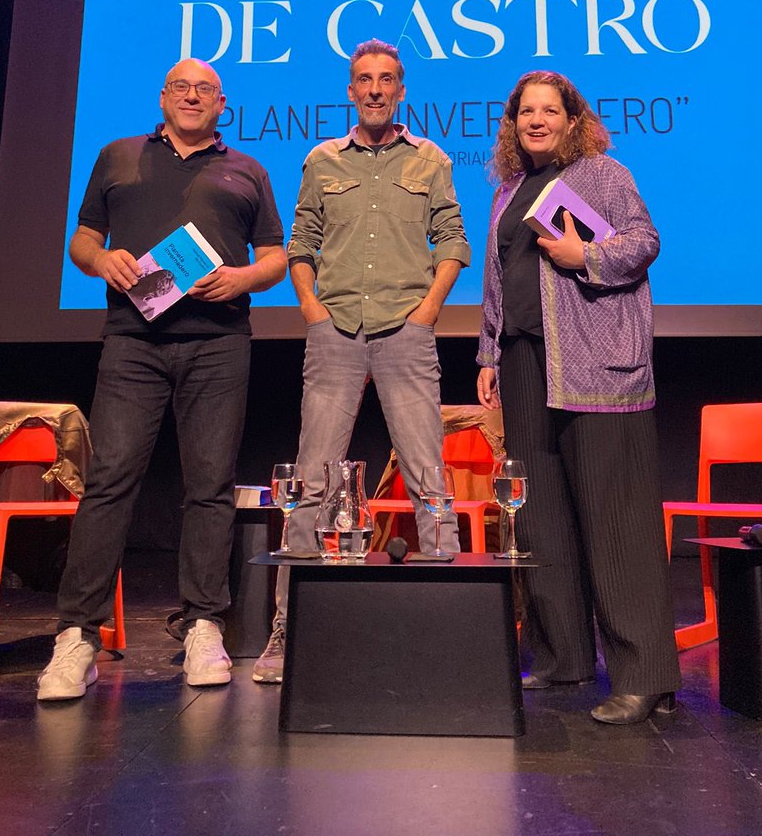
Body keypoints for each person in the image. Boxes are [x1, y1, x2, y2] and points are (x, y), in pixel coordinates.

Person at [37, 58, 287, 701]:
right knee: (110, 479)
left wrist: (242, 279)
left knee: (209, 486)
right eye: (183, 88)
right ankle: (76, 637)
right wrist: (102, 260)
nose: (193, 97)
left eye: (206, 90)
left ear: (222, 103)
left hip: (218, 344)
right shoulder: (118, 156)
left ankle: (204, 623)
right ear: (164, 96)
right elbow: (82, 239)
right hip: (132, 343)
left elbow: (277, 258)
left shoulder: (248, 170)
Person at [252, 39, 471, 684]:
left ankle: (448, 624)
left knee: (429, 477)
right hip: (335, 331)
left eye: (387, 80)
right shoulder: (322, 160)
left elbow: (453, 238)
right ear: (350, 91)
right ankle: (287, 631)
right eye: (363, 80)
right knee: (311, 482)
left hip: (406, 329)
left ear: (401, 90)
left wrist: (428, 310)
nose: (375, 89)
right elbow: (302, 243)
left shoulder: (429, 159)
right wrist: (311, 307)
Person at [476, 70, 680, 725]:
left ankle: (646, 676)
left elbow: (644, 244)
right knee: (540, 515)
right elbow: (497, 281)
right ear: (514, 124)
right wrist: (487, 354)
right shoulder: (508, 190)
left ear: (571, 119)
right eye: (525, 112)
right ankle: (563, 659)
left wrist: (583, 254)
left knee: (615, 517)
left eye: (548, 110)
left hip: (596, 363)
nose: (536, 120)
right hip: (523, 361)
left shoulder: (604, 175)